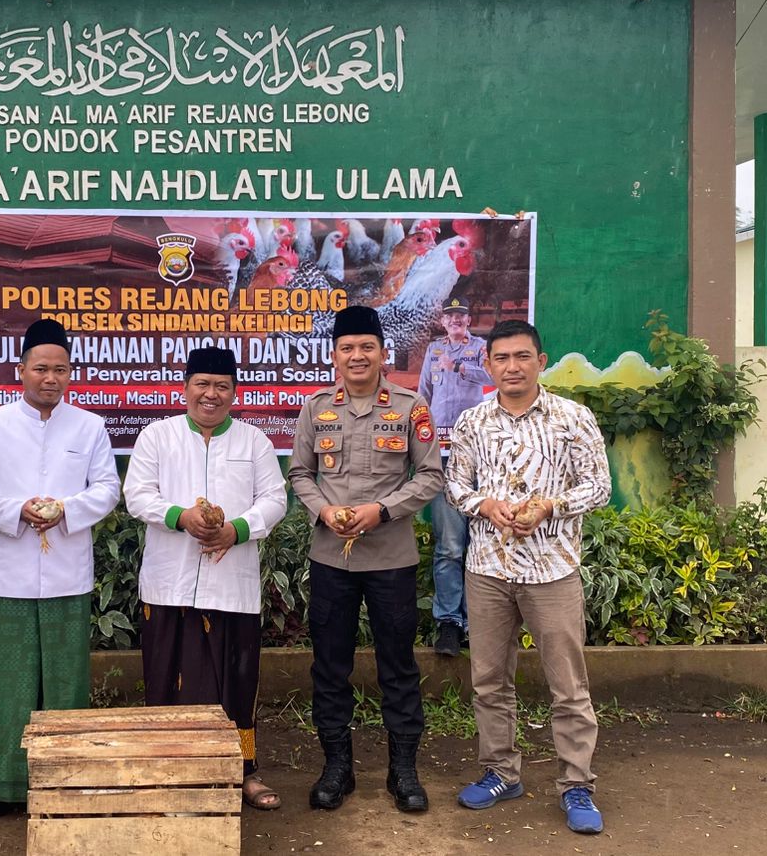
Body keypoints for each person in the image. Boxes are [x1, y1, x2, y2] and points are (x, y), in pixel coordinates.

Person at [444, 319, 612, 835]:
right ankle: (500, 772)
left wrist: (551, 506)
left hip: (553, 571)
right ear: (488, 365)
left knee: (569, 686)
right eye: (501, 358)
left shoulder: (572, 418)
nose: (511, 367)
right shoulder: (472, 422)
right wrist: (484, 505)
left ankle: (576, 784)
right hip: (488, 570)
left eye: (522, 357)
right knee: (490, 682)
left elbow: (599, 486)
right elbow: (455, 485)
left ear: (541, 361)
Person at [0, 318, 121, 820]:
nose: (51, 378)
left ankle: (63, 782)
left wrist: (66, 509)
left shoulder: (89, 426)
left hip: (68, 571)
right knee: (5, 680)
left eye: (61, 370)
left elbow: (107, 490)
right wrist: (17, 511)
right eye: (41, 368)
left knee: (64, 680)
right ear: (20, 370)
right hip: (8, 572)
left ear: (72, 374)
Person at [288, 305, 443, 814]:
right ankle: (337, 768)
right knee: (329, 667)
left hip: (390, 559)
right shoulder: (315, 409)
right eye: (347, 348)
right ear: (334, 355)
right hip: (330, 558)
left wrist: (381, 510)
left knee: (397, 666)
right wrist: (325, 509)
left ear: (382, 352)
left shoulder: (409, 406)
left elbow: (430, 477)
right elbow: (300, 475)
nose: (357, 356)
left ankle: (404, 772)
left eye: (366, 347)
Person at [123, 346, 289, 811]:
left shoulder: (253, 441)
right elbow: (136, 495)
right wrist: (181, 517)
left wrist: (237, 529)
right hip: (169, 583)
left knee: (235, 682)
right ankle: (166, 771)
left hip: (231, 584)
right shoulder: (158, 436)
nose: (211, 394)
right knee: (165, 678)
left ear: (234, 392)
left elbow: (275, 500)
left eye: (221, 386)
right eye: (202, 384)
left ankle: (243, 772)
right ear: (186, 387)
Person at [416, 298, 493, 657]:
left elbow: (490, 377)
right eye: (450, 317)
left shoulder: (479, 349)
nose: (456, 321)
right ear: (444, 321)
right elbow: (423, 394)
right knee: (449, 546)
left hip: (480, 456)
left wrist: (460, 367)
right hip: (442, 455)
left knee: (483, 544)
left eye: (461, 316)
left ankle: (479, 623)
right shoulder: (433, 349)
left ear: (469, 319)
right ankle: (449, 622)